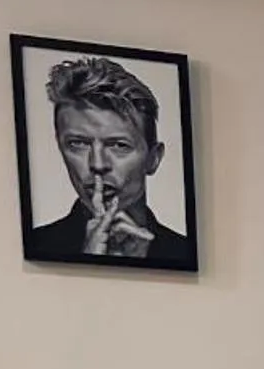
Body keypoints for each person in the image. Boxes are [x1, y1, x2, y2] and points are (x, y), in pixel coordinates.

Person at [26, 54, 194, 265]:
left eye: (118, 145)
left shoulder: (184, 252)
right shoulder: (33, 244)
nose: (97, 164)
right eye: (78, 143)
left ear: (154, 158)